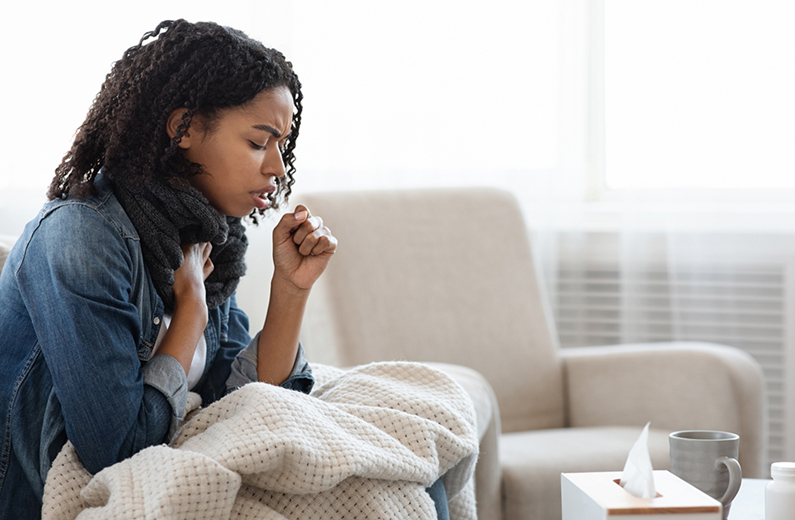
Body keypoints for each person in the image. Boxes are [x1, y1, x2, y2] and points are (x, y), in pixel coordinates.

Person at [0, 19, 450, 519]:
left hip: (165, 462)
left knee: (407, 471)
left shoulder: (207, 234)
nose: (278, 167)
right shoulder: (81, 239)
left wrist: (290, 290)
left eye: (282, 145)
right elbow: (117, 447)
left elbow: (238, 398)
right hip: (55, 494)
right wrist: (191, 308)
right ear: (184, 129)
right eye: (260, 142)